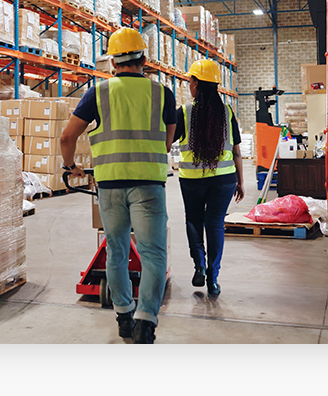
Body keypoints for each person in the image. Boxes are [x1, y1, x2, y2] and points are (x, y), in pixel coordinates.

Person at [59, 27, 176, 344]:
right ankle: (146, 321)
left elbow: (67, 137)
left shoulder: (97, 93)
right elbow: (167, 142)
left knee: (117, 250)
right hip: (150, 186)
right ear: (144, 59)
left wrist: (71, 167)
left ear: (112, 61)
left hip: (109, 186)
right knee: (153, 254)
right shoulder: (163, 94)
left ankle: (124, 314)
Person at [175, 59, 245, 298]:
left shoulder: (184, 113)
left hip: (191, 181)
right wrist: (241, 181)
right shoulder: (227, 112)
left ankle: (199, 266)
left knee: (193, 221)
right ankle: (213, 279)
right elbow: (236, 150)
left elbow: (166, 142)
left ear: (195, 83)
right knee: (215, 225)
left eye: (189, 81)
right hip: (224, 180)